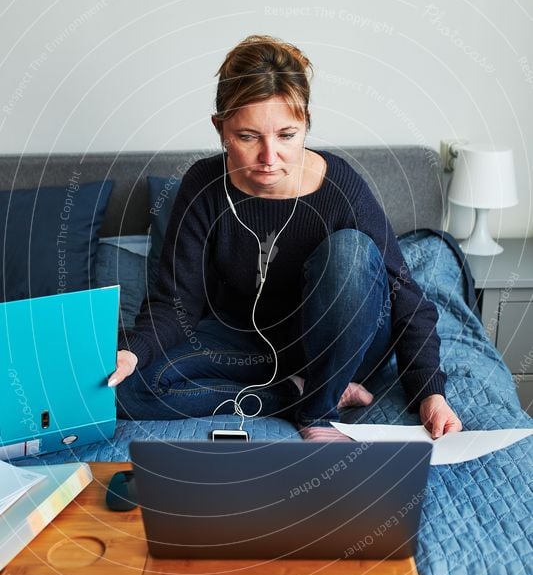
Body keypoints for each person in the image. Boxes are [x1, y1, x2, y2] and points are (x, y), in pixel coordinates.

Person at [109, 34, 462, 441]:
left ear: (306, 125)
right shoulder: (203, 186)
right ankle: (291, 393)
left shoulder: (341, 187)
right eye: (248, 136)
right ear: (220, 129)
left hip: (338, 346)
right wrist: (133, 350)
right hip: (244, 343)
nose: (269, 157)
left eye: (287, 135)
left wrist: (429, 391)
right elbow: (176, 304)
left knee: (350, 252)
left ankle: (317, 409)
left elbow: (406, 298)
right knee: (122, 390)